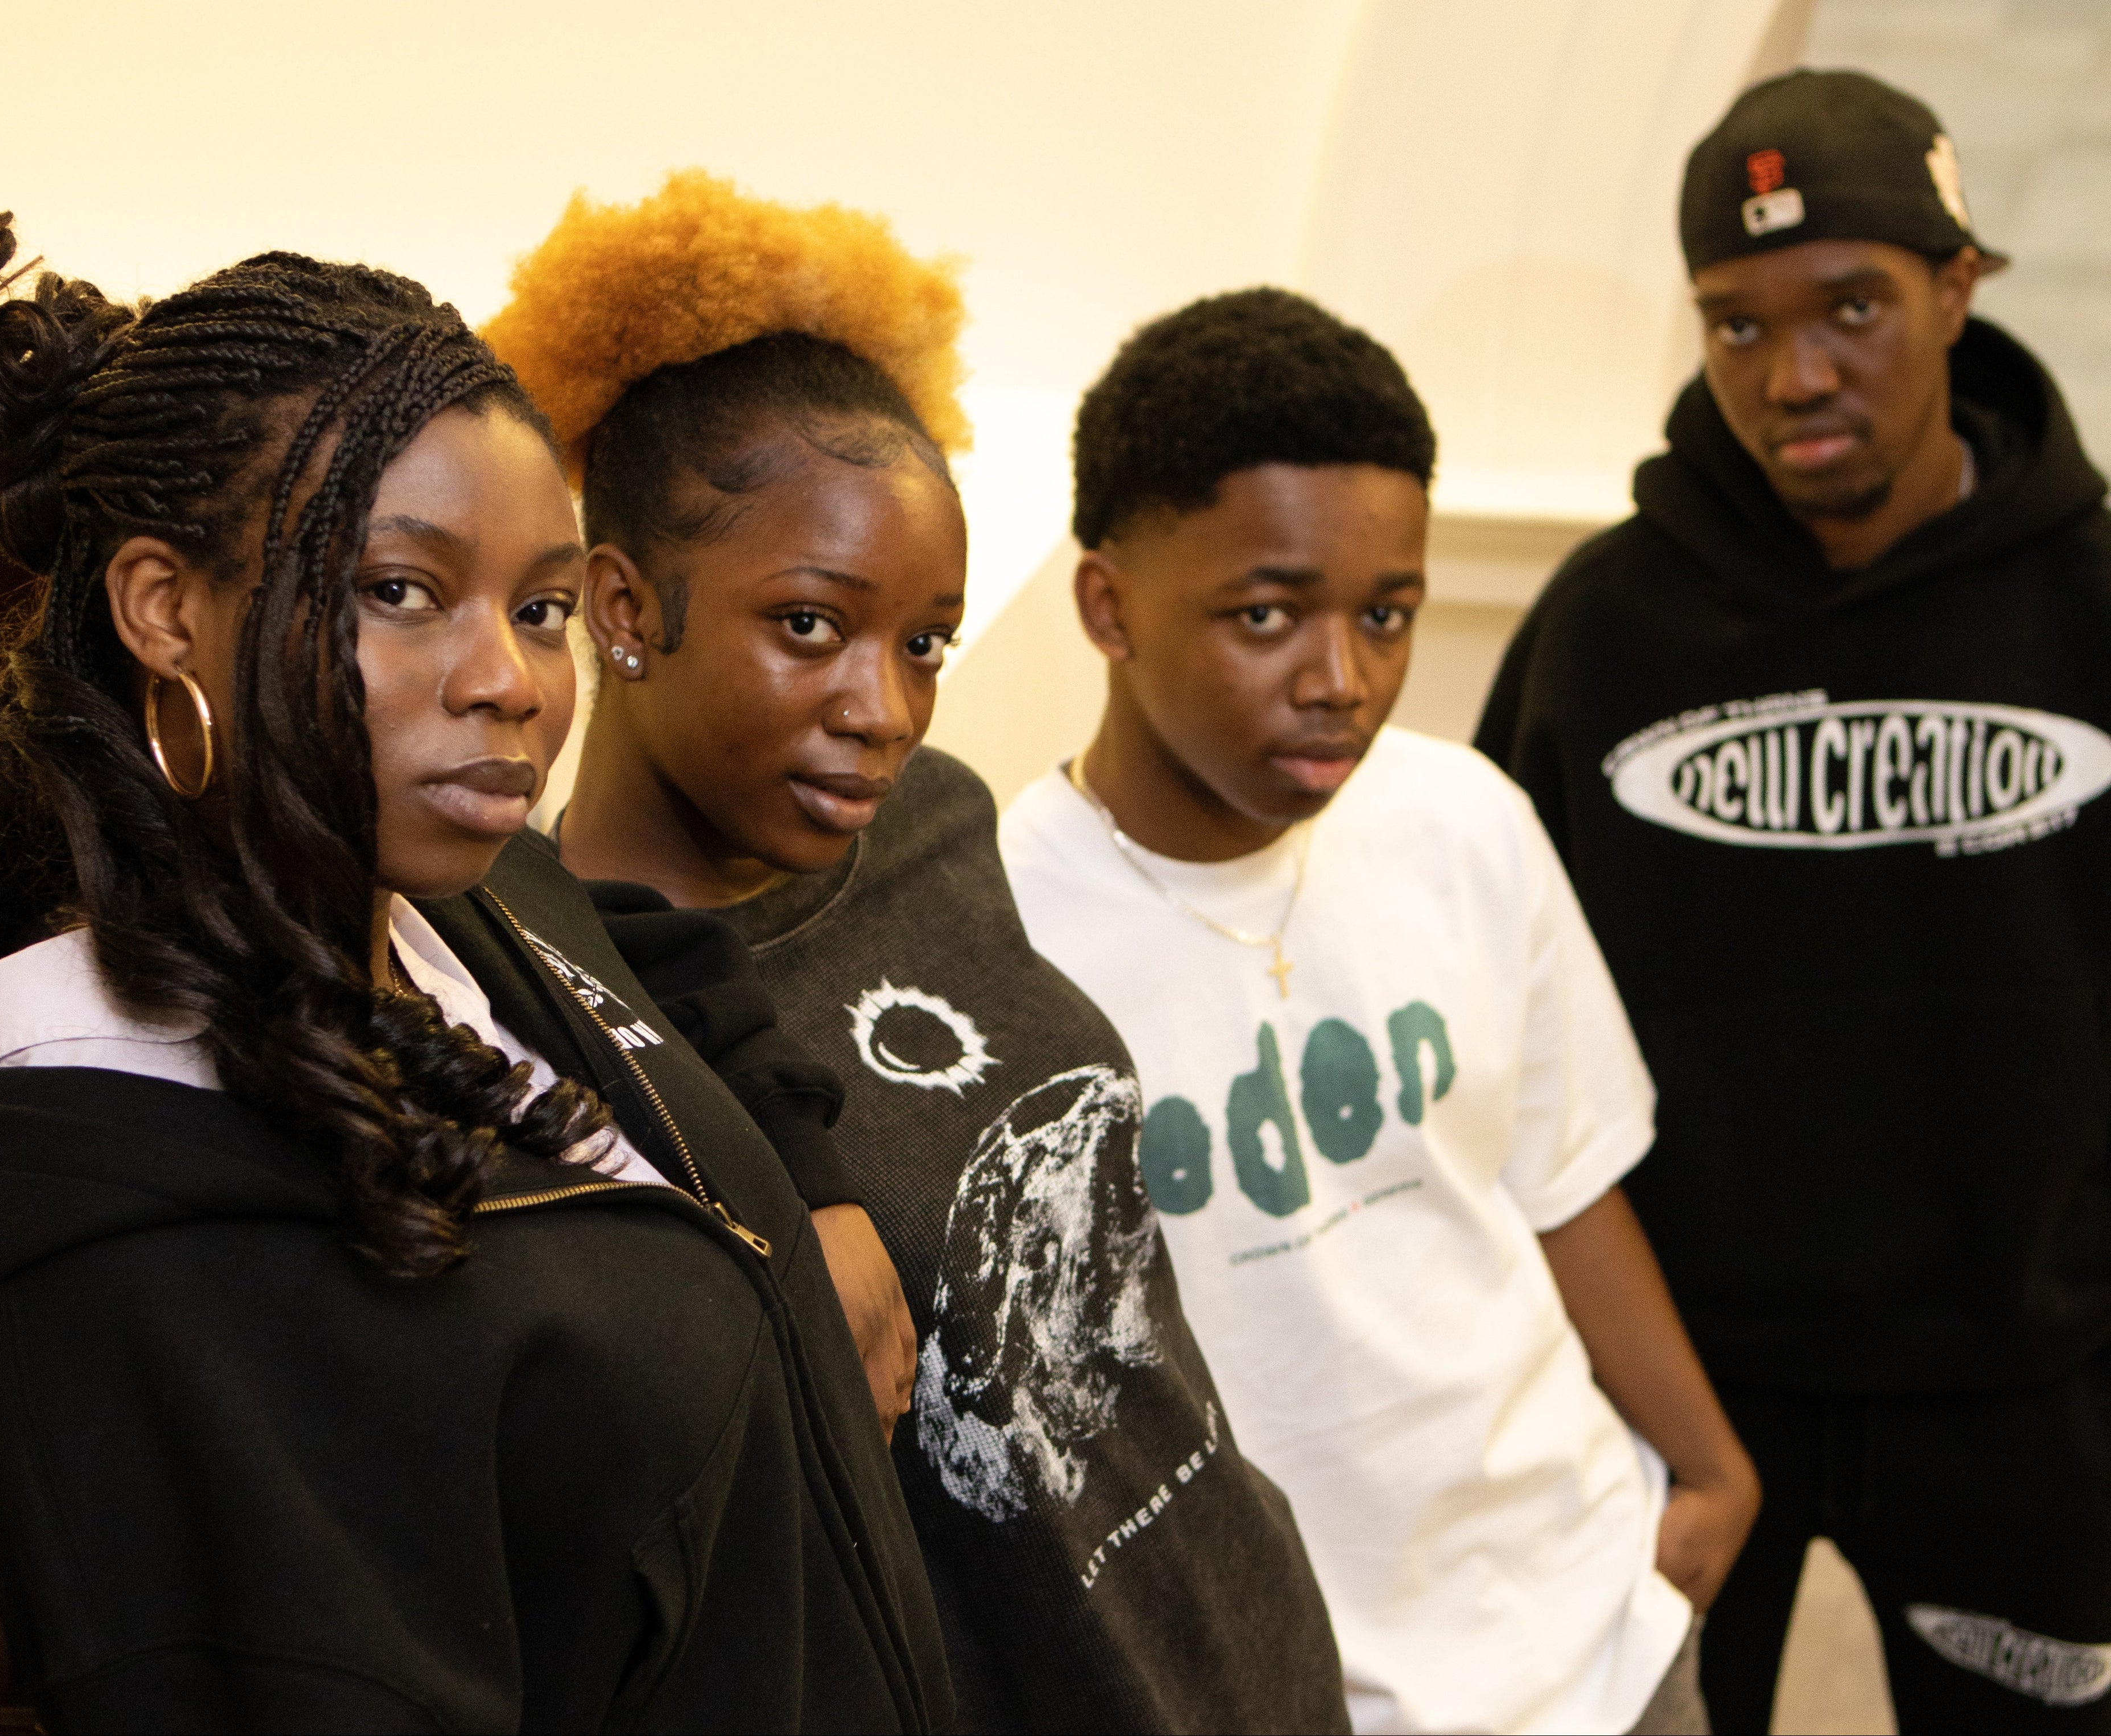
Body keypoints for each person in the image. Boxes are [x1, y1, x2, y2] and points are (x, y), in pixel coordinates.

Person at [0, 212, 954, 1733]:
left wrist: (808, 1180)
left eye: (540, 609)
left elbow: (658, 954)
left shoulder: (461, 900)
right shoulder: (129, 1216)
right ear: (164, 607)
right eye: (402, 590)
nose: (510, 681)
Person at [485, 172, 1349, 1733]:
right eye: (811, 626)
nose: (886, 709)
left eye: (926, 641)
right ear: (622, 605)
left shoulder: (932, 822)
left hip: (1248, 1645)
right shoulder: (563, 1000)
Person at [1000, 287, 1760, 1735]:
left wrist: (1711, 1466)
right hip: (1279, 1682)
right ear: (1108, 606)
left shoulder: (1461, 820)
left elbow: (1559, 1179)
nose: (1342, 681)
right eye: (1266, 616)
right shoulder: (1009, 930)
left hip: (1597, 1635)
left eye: (1387, 615)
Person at [1474, 68, 2111, 1733]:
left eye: (1852, 308)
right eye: (1738, 325)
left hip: (2028, 1387)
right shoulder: (1605, 628)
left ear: (1957, 288)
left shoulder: (2094, 605)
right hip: (1684, 1395)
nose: (1795, 374)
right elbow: (1500, 1011)